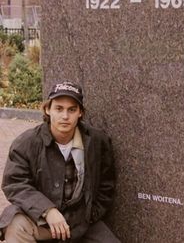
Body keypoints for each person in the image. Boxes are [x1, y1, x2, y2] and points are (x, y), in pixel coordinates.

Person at [0, 81, 120, 243]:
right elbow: (14, 184)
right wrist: (47, 210)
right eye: (59, 108)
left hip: (80, 223)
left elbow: (106, 184)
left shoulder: (98, 141)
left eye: (72, 110)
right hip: (40, 221)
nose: (65, 116)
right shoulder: (26, 142)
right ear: (48, 110)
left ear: (80, 113)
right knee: (15, 224)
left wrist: (90, 215)